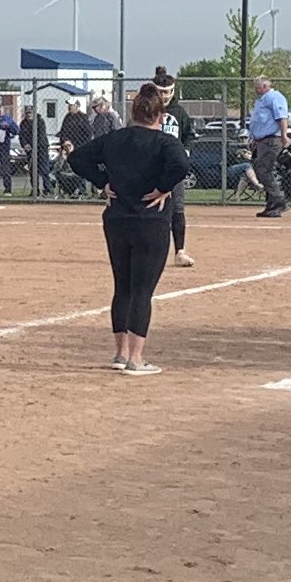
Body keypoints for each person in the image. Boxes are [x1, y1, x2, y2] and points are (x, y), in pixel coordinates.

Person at [67, 83, 191, 377]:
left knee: (122, 287)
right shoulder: (165, 142)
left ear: (133, 113)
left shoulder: (114, 139)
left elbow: (77, 158)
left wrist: (103, 183)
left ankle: (121, 353)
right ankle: (136, 358)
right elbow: (182, 166)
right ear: (160, 116)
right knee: (141, 291)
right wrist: (162, 188)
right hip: (151, 221)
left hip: (117, 219)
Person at [153, 69, 198, 267]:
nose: (164, 96)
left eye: (167, 92)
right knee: (151, 208)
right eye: (160, 92)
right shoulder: (148, 110)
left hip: (173, 169)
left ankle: (180, 251)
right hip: (152, 168)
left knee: (177, 209)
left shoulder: (179, 112)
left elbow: (189, 135)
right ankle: (151, 251)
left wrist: (185, 151)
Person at [250, 76, 291, 218]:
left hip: (272, 140)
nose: (255, 89)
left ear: (265, 86)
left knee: (263, 170)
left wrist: (284, 135)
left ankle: (279, 200)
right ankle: (272, 204)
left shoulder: (274, 97)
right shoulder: (261, 101)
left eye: (257, 86)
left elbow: (282, 117)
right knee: (261, 169)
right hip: (262, 141)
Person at [19, 109, 55, 196]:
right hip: (30, 150)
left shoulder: (40, 121)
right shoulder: (23, 123)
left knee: (44, 169)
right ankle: (35, 190)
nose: (29, 115)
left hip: (41, 148)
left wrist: (35, 145)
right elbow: (21, 136)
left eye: (30, 113)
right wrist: (25, 145)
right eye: (27, 113)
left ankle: (48, 189)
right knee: (32, 170)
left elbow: (41, 135)